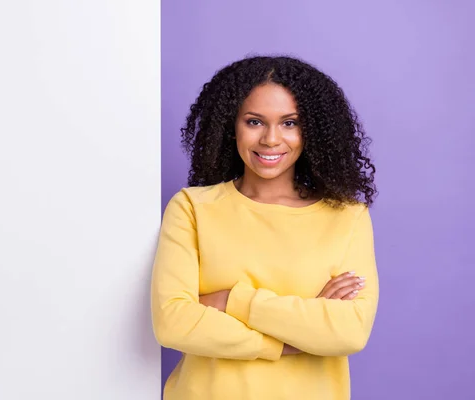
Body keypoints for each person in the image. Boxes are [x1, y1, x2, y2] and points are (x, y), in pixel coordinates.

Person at [151, 55, 379, 400]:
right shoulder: (192, 208)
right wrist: (289, 340)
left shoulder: (347, 217)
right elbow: (173, 323)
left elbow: (348, 333)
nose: (271, 139)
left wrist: (232, 300)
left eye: (290, 123)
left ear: (312, 130)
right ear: (232, 126)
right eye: (255, 121)